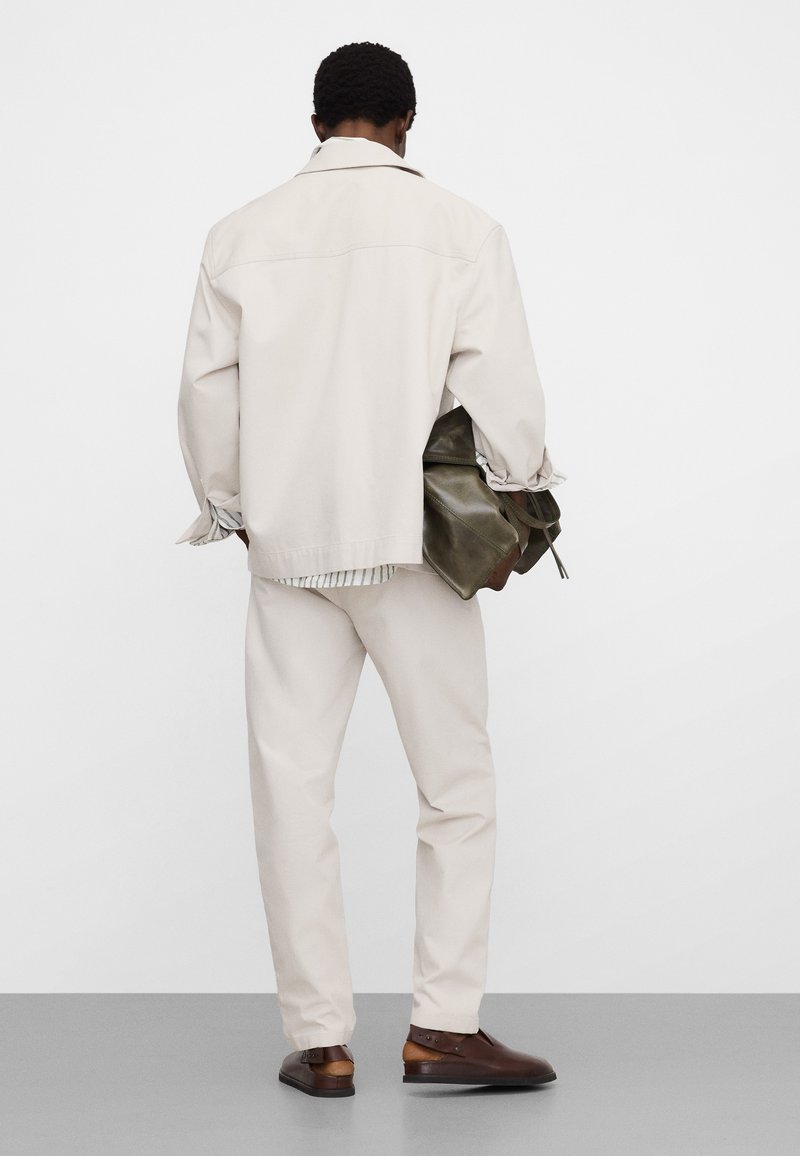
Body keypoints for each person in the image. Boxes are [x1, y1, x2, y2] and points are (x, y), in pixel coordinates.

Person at [175, 40, 566, 1098]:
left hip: (290, 549)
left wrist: (233, 508)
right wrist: (520, 491)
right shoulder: (461, 229)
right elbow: (504, 399)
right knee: (456, 786)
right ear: (405, 125)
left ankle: (321, 1042)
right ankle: (442, 1028)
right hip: (416, 547)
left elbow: (208, 397)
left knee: (291, 789)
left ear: (315, 125)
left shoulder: (239, 235)